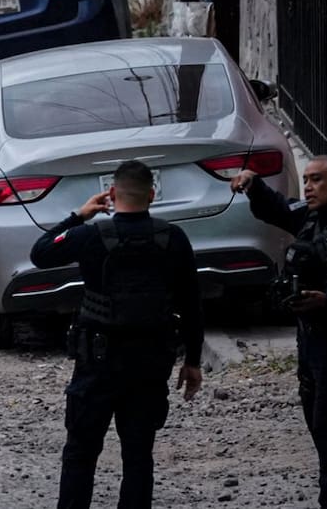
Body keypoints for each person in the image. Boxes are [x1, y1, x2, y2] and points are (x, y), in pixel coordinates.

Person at [30, 160, 203, 509]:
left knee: (80, 453)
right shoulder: (173, 238)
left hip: (97, 363)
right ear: (152, 195)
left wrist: (78, 216)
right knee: (138, 455)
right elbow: (192, 303)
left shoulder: (90, 236)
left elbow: (41, 252)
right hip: (150, 364)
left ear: (111, 193)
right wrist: (193, 361)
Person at [231, 155, 327, 509]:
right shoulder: (310, 216)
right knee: (317, 422)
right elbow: (277, 209)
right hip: (311, 338)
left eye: (317, 180)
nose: (309, 187)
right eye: (307, 180)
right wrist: (253, 184)